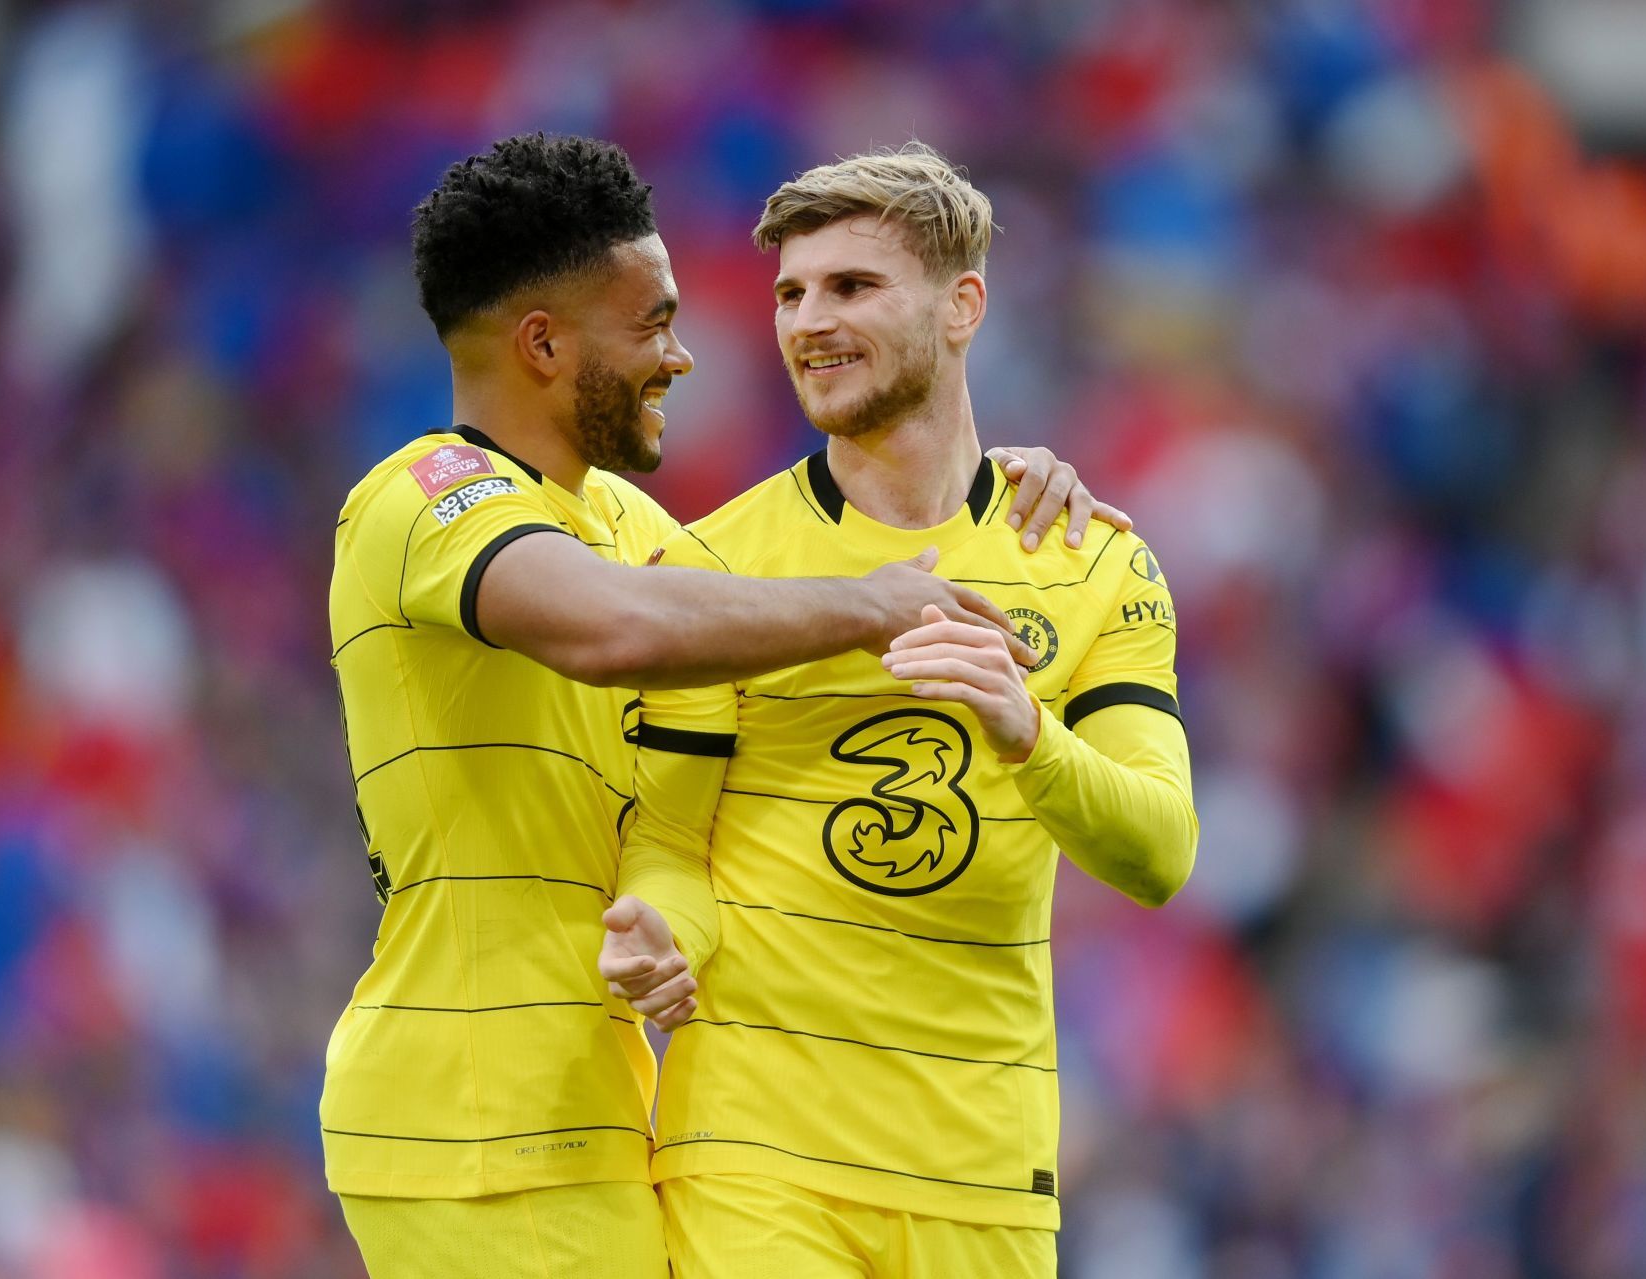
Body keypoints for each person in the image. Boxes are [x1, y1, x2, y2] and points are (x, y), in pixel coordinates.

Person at [323, 132, 1120, 1278]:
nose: (682, 357)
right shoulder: (422, 497)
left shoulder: (638, 530)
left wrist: (1009, 492)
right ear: (543, 343)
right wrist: (874, 606)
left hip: (592, 1106)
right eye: (651, 322)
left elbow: (753, 602)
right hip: (470, 1121)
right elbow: (614, 631)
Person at [605, 143, 1199, 1277]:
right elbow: (674, 840)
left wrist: (1033, 739)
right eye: (791, 293)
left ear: (962, 304)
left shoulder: (1092, 564)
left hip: (983, 1170)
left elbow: (1160, 851)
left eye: (852, 286)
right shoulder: (715, 565)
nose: (807, 321)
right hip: (754, 1153)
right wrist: (660, 924)